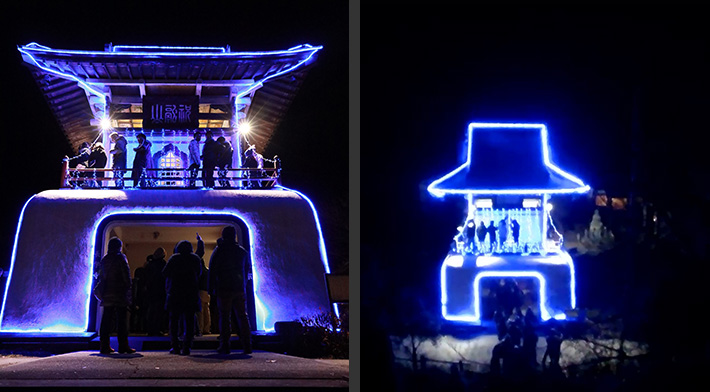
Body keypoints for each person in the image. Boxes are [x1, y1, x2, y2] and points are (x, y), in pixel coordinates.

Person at [209, 226, 252, 354]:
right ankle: (247, 344)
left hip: (224, 288)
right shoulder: (242, 251)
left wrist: (211, 288)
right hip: (239, 288)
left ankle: (225, 345)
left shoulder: (219, 250)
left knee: (224, 316)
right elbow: (247, 270)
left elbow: (213, 270)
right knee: (242, 316)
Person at [95, 237, 136, 354]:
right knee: (122, 321)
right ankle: (123, 346)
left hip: (107, 294)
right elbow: (126, 276)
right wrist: (129, 289)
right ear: (119, 246)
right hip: (119, 293)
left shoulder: (105, 259)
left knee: (106, 320)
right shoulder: (120, 258)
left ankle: (104, 346)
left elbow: (100, 276)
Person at [163, 240, 202, 355]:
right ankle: (187, 346)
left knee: (174, 321)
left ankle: (175, 346)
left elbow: (165, 273)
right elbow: (199, 273)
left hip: (175, 293)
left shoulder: (174, 259)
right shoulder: (195, 259)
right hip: (191, 293)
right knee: (189, 321)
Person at [144, 247, 168, 336]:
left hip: (151, 291)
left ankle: (150, 329)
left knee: (151, 310)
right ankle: (157, 329)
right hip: (160, 291)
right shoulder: (163, 264)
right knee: (159, 311)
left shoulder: (149, 264)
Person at [195, 233, 211, 336]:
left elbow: (200, 252)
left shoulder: (198, 270)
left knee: (199, 311)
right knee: (206, 310)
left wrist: (200, 241)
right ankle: (206, 328)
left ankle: (199, 329)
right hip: (207, 291)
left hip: (200, 291)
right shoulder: (207, 270)